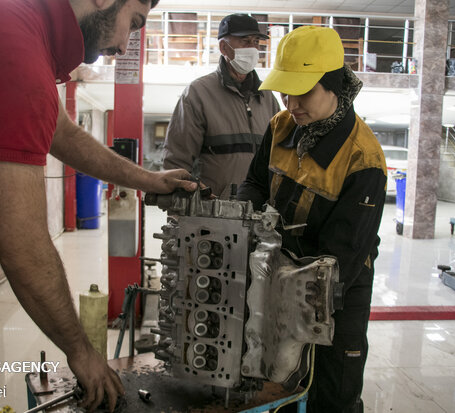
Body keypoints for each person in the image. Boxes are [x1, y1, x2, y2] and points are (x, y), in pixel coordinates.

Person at [0, 0, 196, 411]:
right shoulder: (16, 56)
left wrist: (147, 180)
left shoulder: (16, 25)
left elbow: (59, 130)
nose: (123, 44)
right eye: (132, 23)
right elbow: (23, 247)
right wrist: (82, 352)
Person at [237, 26, 387, 413]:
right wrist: (246, 224)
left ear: (333, 84)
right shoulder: (282, 126)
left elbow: (340, 258)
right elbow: (255, 181)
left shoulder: (363, 158)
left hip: (337, 291)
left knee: (330, 393)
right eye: (285, 92)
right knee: (276, 385)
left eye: (302, 92)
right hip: (276, 275)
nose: (290, 103)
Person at [163, 13, 280, 199]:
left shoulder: (267, 97)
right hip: (213, 213)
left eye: (256, 42)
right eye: (245, 41)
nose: (252, 48)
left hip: (259, 214)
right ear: (224, 47)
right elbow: (177, 161)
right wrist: (180, 214)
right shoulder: (198, 94)